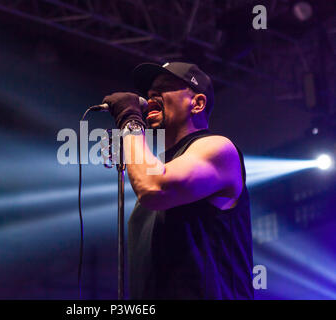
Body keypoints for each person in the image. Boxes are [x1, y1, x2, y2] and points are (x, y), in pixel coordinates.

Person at [102, 62, 254, 299]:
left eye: (164, 87)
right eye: (150, 92)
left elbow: (153, 188)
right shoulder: (159, 166)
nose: (152, 96)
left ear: (198, 103)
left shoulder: (218, 147)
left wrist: (131, 122)